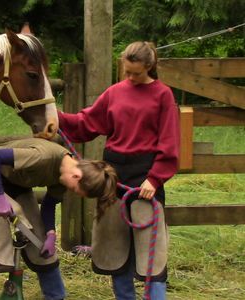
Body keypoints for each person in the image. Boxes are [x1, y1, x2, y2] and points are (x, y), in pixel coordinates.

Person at [56, 41, 180, 299]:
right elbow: (85, 123)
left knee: (152, 255)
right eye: (127, 72)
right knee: (115, 249)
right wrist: (55, 117)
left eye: (136, 73)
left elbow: (170, 143)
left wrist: (155, 180)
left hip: (145, 179)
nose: (130, 78)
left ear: (149, 66)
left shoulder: (163, 96)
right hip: (113, 177)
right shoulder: (114, 92)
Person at [0, 137, 118, 300]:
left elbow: (49, 204)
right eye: (75, 189)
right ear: (77, 176)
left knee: (40, 243)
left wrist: (50, 234)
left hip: (17, 183)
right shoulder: (43, 157)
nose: (72, 191)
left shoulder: (65, 175)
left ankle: (55, 296)